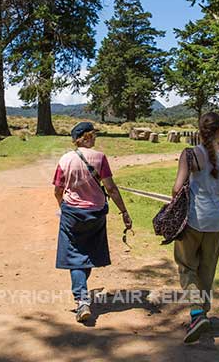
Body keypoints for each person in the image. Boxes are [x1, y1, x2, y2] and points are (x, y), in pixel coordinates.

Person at [171, 112, 219, 343]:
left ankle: (196, 313)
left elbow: (176, 189)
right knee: (207, 269)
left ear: (200, 131)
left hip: (193, 219)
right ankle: (202, 315)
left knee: (186, 266)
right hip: (217, 222)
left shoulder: (190, 154)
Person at [53, 122, 133, 322]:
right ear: (87, 137)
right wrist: (124, 211)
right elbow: (111, 188)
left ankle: (81, 300)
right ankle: (82, 294)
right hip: (96, 214)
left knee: (75, 255)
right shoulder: (100, 158)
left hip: (72, 213)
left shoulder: (65, 159)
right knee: (87, 253)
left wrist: (62, 205)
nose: (95, 138)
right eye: (93, 135)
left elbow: (57, 189)